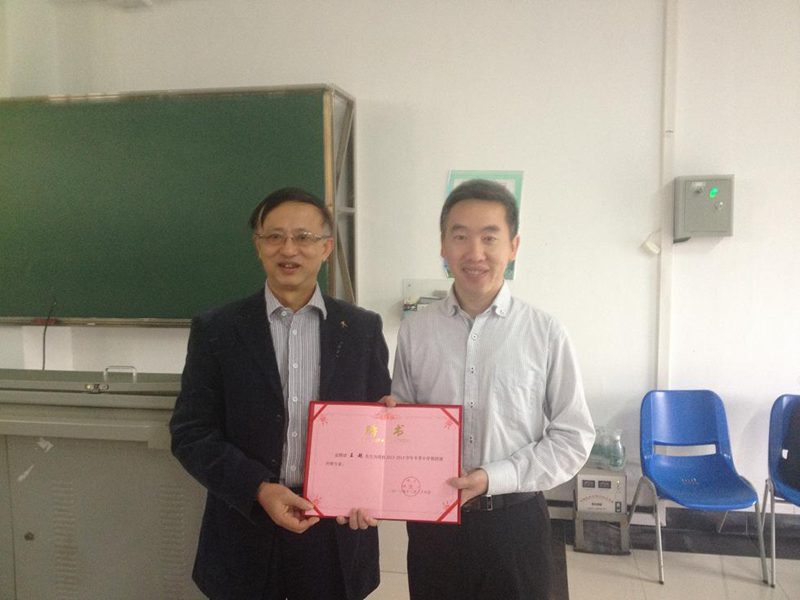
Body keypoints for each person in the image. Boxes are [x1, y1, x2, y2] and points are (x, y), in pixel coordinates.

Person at [170, 187, 391, 600]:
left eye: (304, 237)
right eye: (274, 236)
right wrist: (258, 488)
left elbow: (379, 424)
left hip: (335, 533)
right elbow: (190, 433)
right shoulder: (217, 330)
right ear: (258, 246)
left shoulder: (362, 329)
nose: (289, 249)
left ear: (326, 248)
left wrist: (378, 474)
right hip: (245, 525)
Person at [389, 179, 595, 600]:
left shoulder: (544, 332)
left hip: (514, 523)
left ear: (513, 246)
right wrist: (390, 426)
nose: (475, 253)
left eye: (489, 237)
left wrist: (492, 478)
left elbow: (573, 438)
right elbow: (405, 426)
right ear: (443, 246)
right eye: (460, 236)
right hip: (434, 525)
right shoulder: (416, 331)